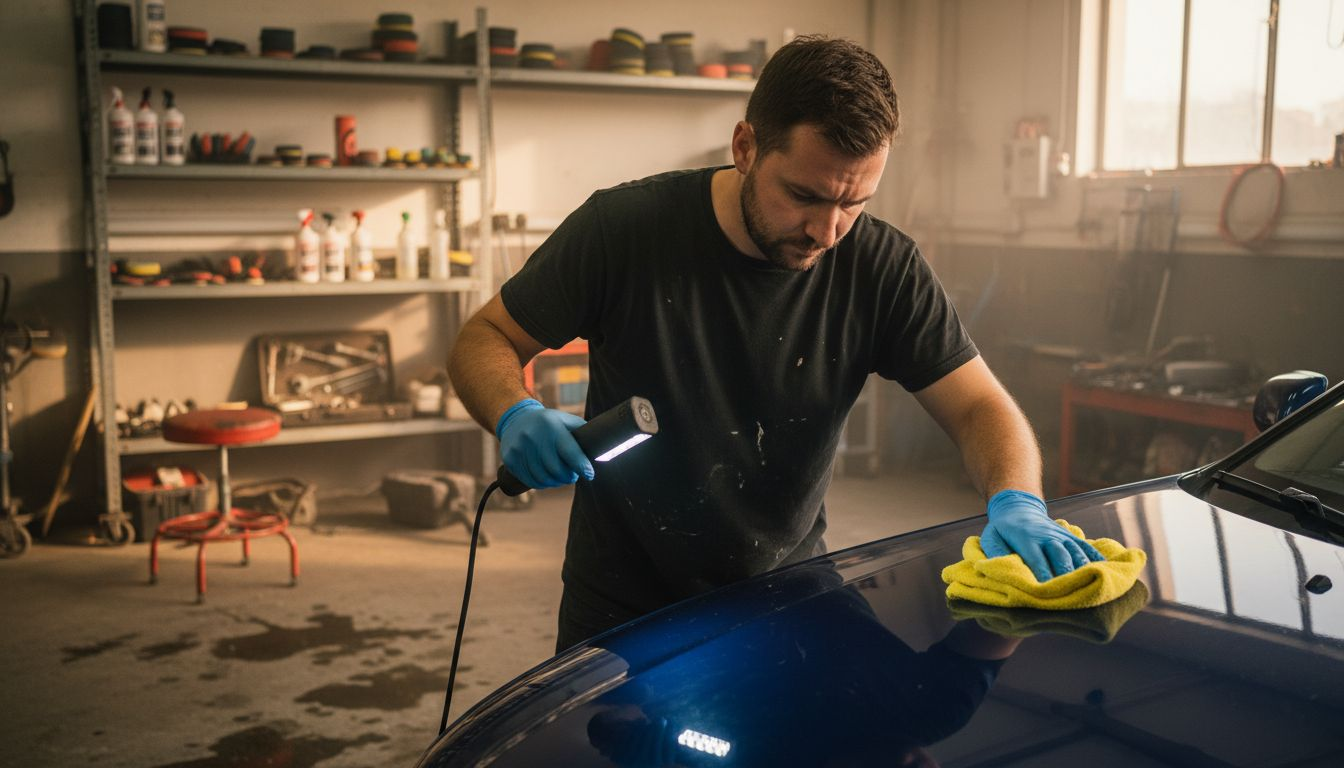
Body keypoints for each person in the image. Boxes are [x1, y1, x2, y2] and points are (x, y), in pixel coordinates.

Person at [448, 35, 1102, 653]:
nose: (826, 230)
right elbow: (486, 337)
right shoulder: (624, 231)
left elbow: (978, 405)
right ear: (745, 146)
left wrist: (1017, 500)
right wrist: (514, 412)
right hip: (623, 609)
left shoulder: (881, 265)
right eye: (803, 196)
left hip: (788, 592)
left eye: (856, 203)